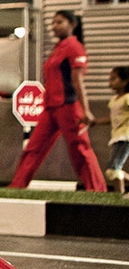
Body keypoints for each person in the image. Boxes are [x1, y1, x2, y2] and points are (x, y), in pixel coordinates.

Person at [10, 11, 106, 191]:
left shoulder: (75, 47)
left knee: (80, 149)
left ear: (72, 24)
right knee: (33, 148)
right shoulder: (58, 48)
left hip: (68, 107)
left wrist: (86, 110)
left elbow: (78, 81)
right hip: (50, 109)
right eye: (53, 22)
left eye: (59, 22)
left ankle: (97, 189)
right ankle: (17, 186)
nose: (54, 26)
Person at [104, 65, 129, 194]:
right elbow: (113, 118)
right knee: (112, 170)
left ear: (125, 81)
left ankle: (119, 196)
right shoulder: (114, 100)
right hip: (116, 136)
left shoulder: (127, 98)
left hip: (125, 136)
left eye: (114, 79)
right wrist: (95, 122)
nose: (110, 82)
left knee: (114, 168)